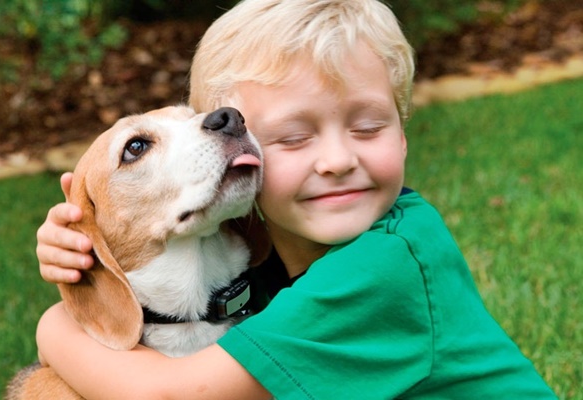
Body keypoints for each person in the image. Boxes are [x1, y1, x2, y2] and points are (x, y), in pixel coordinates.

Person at [35, 0, 556, 398]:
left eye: (369, 126)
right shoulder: (265, 259)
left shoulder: (386, 263)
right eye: (292, 138)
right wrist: (85, 255)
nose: (336, 160)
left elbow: (174, 393)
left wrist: (55, 324)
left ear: (403, 135)